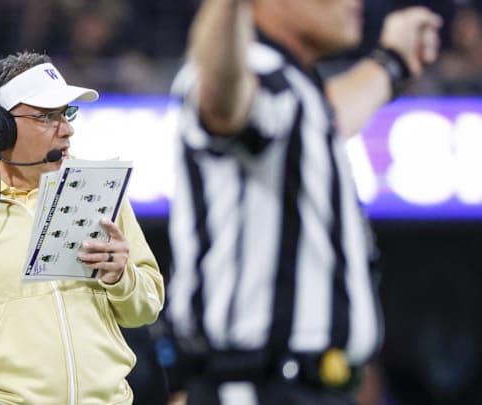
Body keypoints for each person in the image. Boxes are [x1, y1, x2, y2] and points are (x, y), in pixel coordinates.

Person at [166, 0, 442, 404]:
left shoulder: (293, 89)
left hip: (306, 386)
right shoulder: (248, 67)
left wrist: (393, 61)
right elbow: (222, 99)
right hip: (261, 385)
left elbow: (328, 115)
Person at [0, 51, 165, 405]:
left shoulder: (96, 187)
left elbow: (147, 307)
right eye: (47, 116)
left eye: (67, 113)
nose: (67, 128)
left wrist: (121, 276)